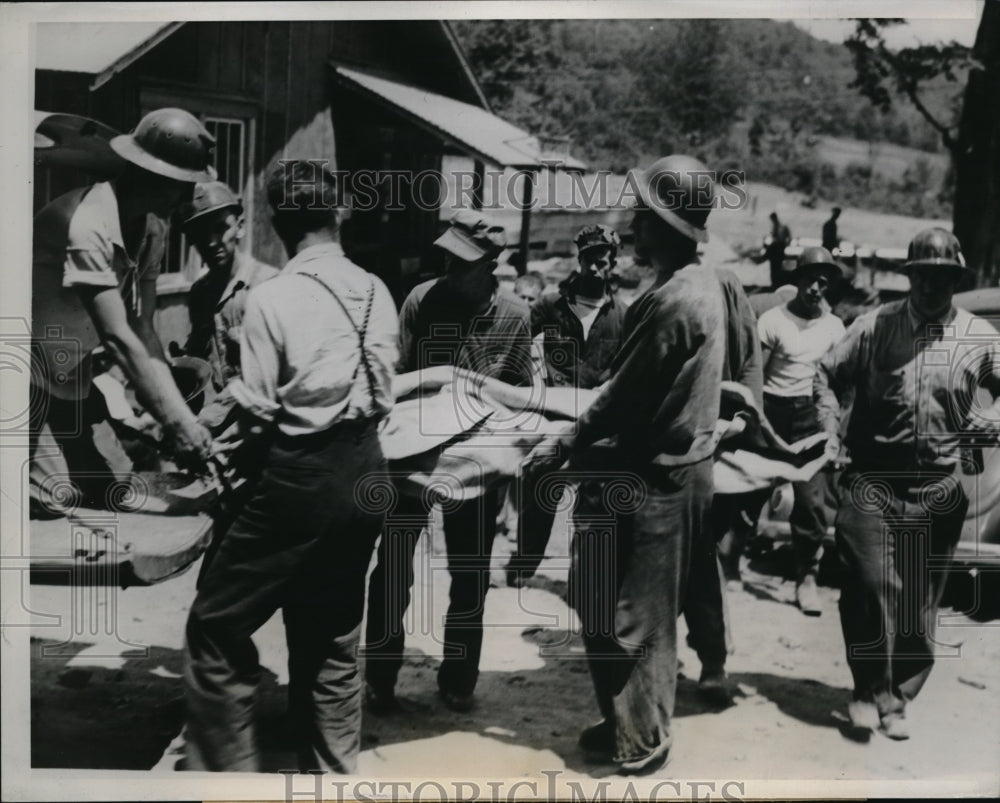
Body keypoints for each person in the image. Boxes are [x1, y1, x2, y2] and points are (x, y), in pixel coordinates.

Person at [183, 161, 399, 772]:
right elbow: (382, 396)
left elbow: (254, 415)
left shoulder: (271, 299)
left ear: (277, 224)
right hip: (366, 474)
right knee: (331, 636)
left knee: (215, 626)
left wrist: (206, 451)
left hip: (299, 475)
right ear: (339, 215)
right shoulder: (377, 290)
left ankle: (226, 778)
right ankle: (333, 776)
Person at [525, 154, 726, 774]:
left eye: (644, 215)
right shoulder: (685, 286)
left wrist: (563, 442)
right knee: (601, 602)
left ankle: (643, 741)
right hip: (645, 470)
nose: (633, 227)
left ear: (669, 225)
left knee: (639, 619)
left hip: (653, 478)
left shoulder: (676, 301)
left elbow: (624, 394)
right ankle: (622, 718)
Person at [815, 227, 1000, 741]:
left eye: (941, 277)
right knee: (868, 584)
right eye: (921, 275)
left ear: (954, 279)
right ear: (909, 277)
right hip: (872, 477)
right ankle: (866, 687)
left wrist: (992, 421)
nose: (929, 286)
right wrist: (829, 430)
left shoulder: (980, 337)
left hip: (938, 485)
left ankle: (895, 695)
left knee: (919, 602)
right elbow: (827, 374)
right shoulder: (876, 326)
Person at [365, 210, 534, 713]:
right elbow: (395, 378)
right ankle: (380, 675)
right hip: (414, 455)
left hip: (476, 467)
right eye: (447, 257)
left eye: (461, 262)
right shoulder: (421, 300)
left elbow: (521, 400)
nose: (449, 268)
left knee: (470, 575)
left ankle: (459, 678)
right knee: (392, 568)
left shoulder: (515, 317)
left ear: (491, 264)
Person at [30, 108, 216, 518]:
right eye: (181, 186)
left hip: (70, 374)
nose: (187, 200)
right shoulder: (86, 221)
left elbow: (143, 329)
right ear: (150, 176)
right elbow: (117, 337)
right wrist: (177, 425)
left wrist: (180, 417)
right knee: (55, 499)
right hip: (20, 373)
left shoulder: (153, 229)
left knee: (117, 487)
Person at [504, 224, 628, 584]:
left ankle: (584, 574)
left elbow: (630, 366)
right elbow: (517, 345)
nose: (594, 269)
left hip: (597, 418)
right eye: (589, 260)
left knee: (594, 497)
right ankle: (524, 566)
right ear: (580, 259)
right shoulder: (550, 304)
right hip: (552, 414)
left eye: (602, 263)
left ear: (613, 265)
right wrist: (533, 383)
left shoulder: (623, 315)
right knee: (539, 485)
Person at [757, 246, 845, 614]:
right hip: (771, 409)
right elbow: (756, 374)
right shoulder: (773, 320)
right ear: (799, 280)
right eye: (810, 280)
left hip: (809, 415)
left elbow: (839, 381)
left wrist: (834, 426)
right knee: (745, 490)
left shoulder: (834, 327)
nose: (815, 289)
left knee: (810, 502)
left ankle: (806, 576)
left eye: (822, 283)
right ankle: (726, 564)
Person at [174, 181, 279, 412]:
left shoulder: (268, 286)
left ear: (240, 227)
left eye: (221, 228)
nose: (211, 242)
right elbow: (200, 355)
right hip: (221, 409)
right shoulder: (200, 292)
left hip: (258, 414)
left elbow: (278, 370)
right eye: (200, 233)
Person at [765, 211, 792, 289]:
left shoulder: (782, 226)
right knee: (775, 268)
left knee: (776, 268)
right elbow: (771, 235)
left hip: (779, 249)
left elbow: (788, 236)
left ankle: (776, 284)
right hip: (776, 249)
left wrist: (786, 244)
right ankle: (775, 284)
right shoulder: (775, 226)